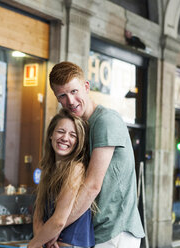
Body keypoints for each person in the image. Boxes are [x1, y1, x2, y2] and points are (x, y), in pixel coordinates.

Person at [46, 61, 145, 248]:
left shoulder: (106, 121)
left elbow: (92, 186)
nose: (70, 101)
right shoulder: (80, 128)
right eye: (63, 95)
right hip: (96, 232)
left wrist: (55, 228)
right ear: (57, 98)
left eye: (74, 91)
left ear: (86, 87)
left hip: (116, 232)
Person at [28, 109, 95, 248]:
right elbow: (38, 216)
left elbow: (59, 220)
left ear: (78, 142)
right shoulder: (48, 169)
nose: (65, 138)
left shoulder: (76, 169)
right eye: (61, 131)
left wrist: (33, 245)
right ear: (51, 135)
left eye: (72, 135)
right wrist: (43, 241)